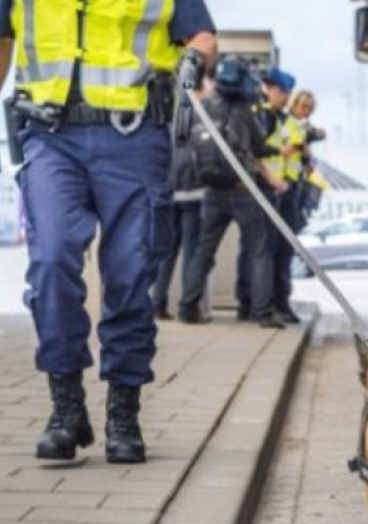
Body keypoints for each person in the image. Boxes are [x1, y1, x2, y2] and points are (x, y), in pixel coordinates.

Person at [0, 0, 216, 464]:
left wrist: (195, 61)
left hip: (134, 138)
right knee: (52, 261)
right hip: (49, 135)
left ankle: (123, 413)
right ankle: (66, 408)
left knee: (130, 275)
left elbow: (202, 36)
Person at [178, 56, 288, 330]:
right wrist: (277, 151)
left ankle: (187, 306)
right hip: (242, 190)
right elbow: (260, 146)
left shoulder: (204, 106)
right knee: (259, 249)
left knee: (204, 251)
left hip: (213, 191)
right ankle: (262, 313)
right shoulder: (244, 110)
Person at [235, 67, 297, 322]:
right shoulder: (258, 115)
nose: (282, 96)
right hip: (262, 189)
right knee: (260, 249)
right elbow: (254, 152)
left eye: (284, 91)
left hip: (278, 190)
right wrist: (273, 179)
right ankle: (254, 304)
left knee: (271, 249)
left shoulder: (279, 118)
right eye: (278, 90)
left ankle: (270, 302)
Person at [151, 78, 212, 320]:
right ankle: (189, 307)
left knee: (167, 251)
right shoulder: (192, 111)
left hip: (170, 190)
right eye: (207, 84)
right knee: (192, 251)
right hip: (191, 192)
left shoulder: (171, 108)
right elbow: (187, 151)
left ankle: (157, 302)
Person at [274, 89, 324, 324]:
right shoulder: (286, 123)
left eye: (308, 109)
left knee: (287, 249)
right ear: (294, 104)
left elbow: (306, 155)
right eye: (302, 107)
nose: (304, 112)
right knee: (282, 249)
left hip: (294, 189)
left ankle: (281, 302)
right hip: (284, 189)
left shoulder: (299, 125)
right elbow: (291, 147)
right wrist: (305, 142)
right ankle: (279, 303)